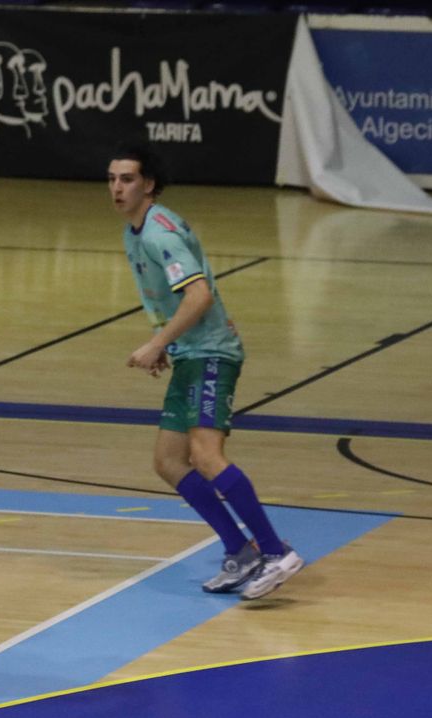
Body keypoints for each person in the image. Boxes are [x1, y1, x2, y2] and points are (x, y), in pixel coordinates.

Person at [107, 141, 303, 599]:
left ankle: (275, 551)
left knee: (207, 455)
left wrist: (157, 342)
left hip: (212, 353)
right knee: (169, 462)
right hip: (191, 354)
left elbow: (199, 296)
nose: (117, 187)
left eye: (127, 179)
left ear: (149, 184)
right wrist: (167, 345)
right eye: (112, 178)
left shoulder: (159, 234)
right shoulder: (135, 233)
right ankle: (241, 549)